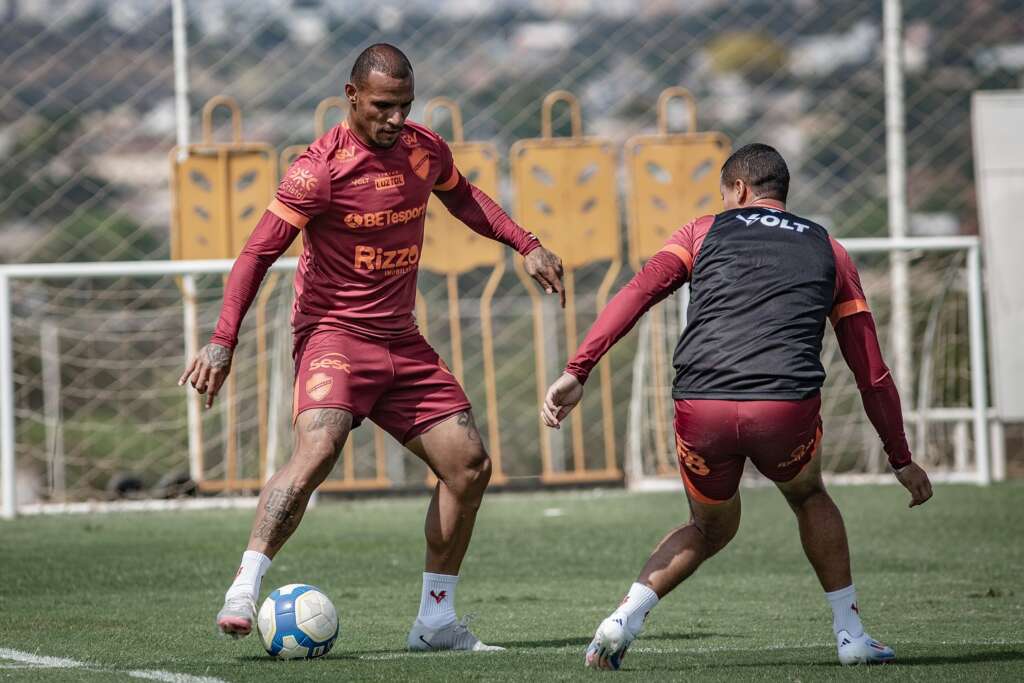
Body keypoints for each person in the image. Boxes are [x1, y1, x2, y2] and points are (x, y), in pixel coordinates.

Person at [179, 43, 565, 652]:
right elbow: (256, 254)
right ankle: (245, 585)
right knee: (320, 447)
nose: (394, 119)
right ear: (351, 96)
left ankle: (436, 621)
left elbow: (464, 197)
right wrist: (222, 342)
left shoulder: (423, 149)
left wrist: (527, 243)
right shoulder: (318, 170)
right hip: (333, 336)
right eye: (383, 106)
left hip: (401, 342)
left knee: (469, 467)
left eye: (405, 106)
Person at [542, 143, 933, 669]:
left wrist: (577, 370)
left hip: (702, 408)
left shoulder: (700, 232)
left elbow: (636, 293)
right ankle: (851, 635)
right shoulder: (831, 249)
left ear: (739, 190)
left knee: (709, 527)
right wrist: (900, 457)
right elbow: (872, 371)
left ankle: (622, 620)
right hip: (784, 411)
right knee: (810, 496)